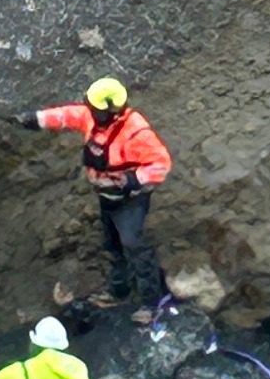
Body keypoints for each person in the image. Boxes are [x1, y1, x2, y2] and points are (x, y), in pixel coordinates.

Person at [25, 77, 176, 319]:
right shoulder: (94, 118)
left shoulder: (136, 132)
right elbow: (69, 115)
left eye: (95, 109)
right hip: (106, 197)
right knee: (112, 244)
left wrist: (132, 179)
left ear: (109, 111)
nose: (89, 112)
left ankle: (152, 302)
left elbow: (161, 163)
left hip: (129, 202)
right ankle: (119, 291)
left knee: (133, 245)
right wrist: (37, 119)